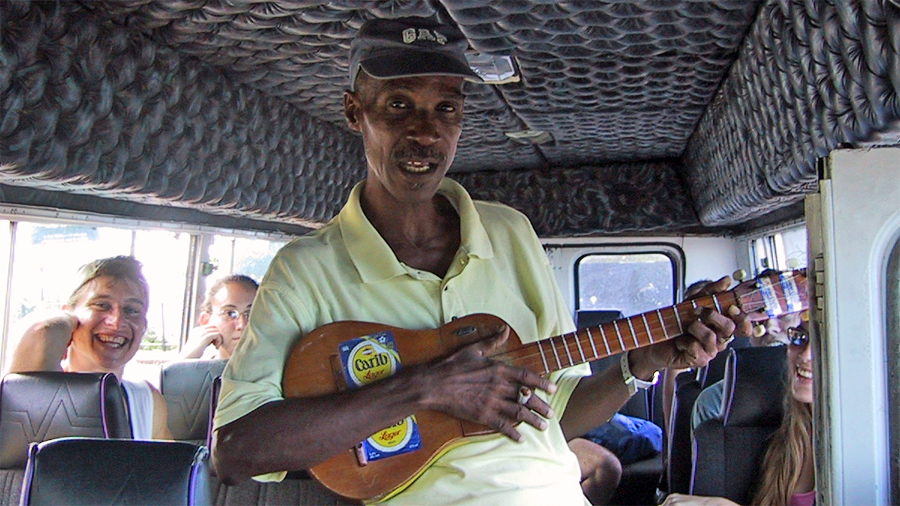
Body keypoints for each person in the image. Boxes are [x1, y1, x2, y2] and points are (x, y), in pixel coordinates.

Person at [212, 16, 747, 505]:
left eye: (446, 107)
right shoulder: (304, 270)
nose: (426, 131)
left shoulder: (509, 232)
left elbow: (554, 416)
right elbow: (234, 451)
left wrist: (640, 364)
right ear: (355, 111)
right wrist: (426, 386)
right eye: (399, 105)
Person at [7, 255, 172, 440]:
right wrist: (68, 319)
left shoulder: (146, 400)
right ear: (70, 319)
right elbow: (41, 332)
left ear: (144, 327)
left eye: (131, 310)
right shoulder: (42, 387)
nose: (117, 322)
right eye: (101, 305)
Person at [662, 312, 814, 506]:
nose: (806, 355)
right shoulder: (792, 434)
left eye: (823, 344)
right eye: (800, 337)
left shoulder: (858, 447)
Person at [178, 274, 258, 360]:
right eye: (230, 313)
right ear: (206, 321)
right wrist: (185, 360)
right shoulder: (197, 371)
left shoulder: (273, 369)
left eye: (251, 313)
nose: (242, 325)